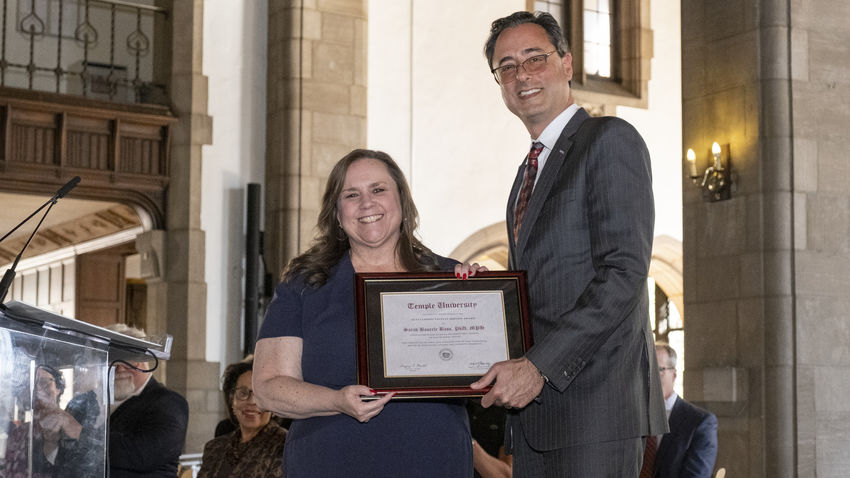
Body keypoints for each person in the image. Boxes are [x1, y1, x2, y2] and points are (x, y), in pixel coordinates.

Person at [458, 11, 668, 476]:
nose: (522, 74)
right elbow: (546, 286)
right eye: (506, 66)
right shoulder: (527, 173)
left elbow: (624, 274)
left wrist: (538, 368)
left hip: (595, 408)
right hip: (538, 418)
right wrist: (485, 296)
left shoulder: (609, 139)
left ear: (567, 64)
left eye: (535, 58)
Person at [253, 149, 473, 478]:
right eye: (351, 194)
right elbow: (268, 387)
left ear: (402, 200)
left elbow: (490, 376)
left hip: (433, 460)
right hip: (329, 462)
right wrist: (336, 400)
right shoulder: (305, 283)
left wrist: (485, 296)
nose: (367, 203)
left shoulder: (450, 277)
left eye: (378, 190)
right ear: (337, 213)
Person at [106, 323, 189, 478]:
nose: (120, 369)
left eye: (128, 360)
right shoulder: (90, 402)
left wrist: (80, 434)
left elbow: (142, 455)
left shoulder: (169, 402)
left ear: (145, 360)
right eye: (112, 361)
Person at [3, 365, 101, 478]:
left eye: (44, 382)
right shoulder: (19, 433)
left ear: (58, 388)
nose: (38, 389)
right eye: (30, 385)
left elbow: (92, 463)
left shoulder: (72, 425)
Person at [198, 357, 286, 477]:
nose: (252, 402)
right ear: (231, 400)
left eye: (260, 395)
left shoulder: (286, 446)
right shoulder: (214, 448)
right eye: (243, 393)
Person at [649, 343, 718, 478]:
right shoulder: (629, 419)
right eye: (645, 369)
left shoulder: (700, 423)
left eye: (658, 369)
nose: (650, 377)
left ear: (674, 375)